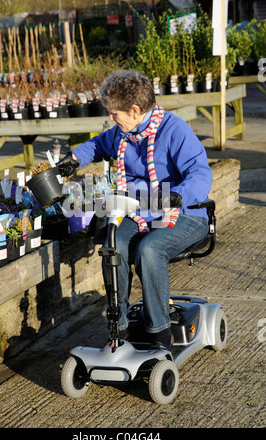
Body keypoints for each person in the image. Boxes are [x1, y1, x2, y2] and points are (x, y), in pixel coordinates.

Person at [57, 69, 213, 351]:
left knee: (149, 250)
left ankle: (159, 334)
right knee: (112, 245)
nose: (111, 118)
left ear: (135, 110)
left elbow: (201, 174)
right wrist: (74, 158)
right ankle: (121, 328)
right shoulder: (121, 134)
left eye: (114, 113)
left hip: (185, 212)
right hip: (140, 211)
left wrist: (179, 195)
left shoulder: (174, 129)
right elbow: (98, 145)